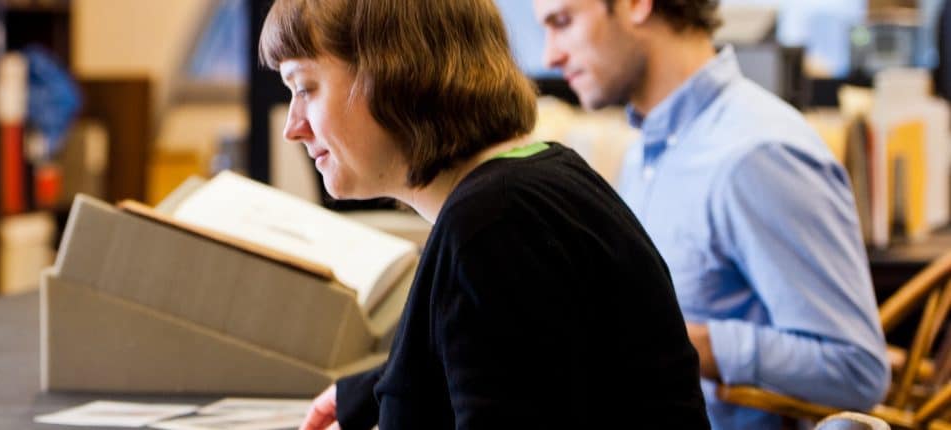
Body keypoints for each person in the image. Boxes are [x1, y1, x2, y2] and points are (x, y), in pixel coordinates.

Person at [262, 0, 710, 428]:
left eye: (305, 88)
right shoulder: (541, 178)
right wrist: (380, 389)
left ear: (393, 73)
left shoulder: (494, 226)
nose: (292, 127)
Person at [533, 0, 891, 428]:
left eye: (563, 22)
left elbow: (857, 370)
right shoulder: (646, 149)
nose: (549, 56)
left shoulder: (757, 153)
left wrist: (684, 341)